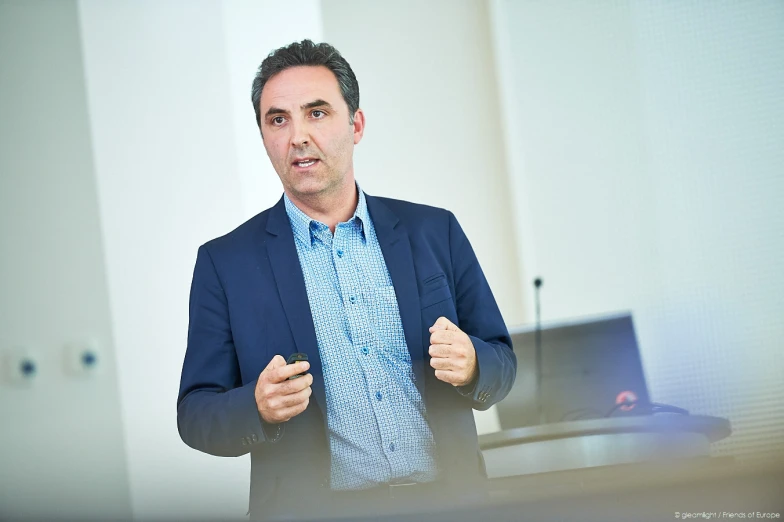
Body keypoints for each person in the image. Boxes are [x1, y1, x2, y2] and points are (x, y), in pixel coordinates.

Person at [176, 39, 516, 521]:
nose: (297, 136)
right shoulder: (224, 263)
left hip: (450, 507)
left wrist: (474, 365)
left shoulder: (433, 230)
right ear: (264, 136)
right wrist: (257, 406)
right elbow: (195, 415)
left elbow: (501, 358)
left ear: (355, 125)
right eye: (278, 119)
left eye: (317, 113)